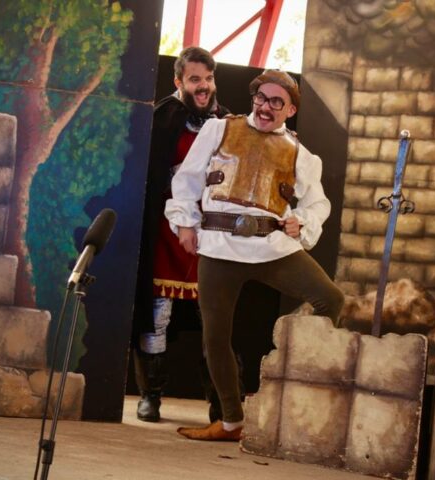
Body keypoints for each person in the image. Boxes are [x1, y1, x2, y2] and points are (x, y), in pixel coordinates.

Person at [165, 69, 345, 441]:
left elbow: (318, 203)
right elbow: (187, 179)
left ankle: (296, 381)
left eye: (276, 102)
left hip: (272, 246)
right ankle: (232, 421)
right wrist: (185, 223)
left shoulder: (300, 153)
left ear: (290, 110)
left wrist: (301, 221)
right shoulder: (219, 130)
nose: (265, 107)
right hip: (219, 245)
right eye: (261, 98)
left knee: (330, 299)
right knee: (215, 336)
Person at [132, 46, 239, 422]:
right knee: (157, 314)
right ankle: (150, 395)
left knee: (215, 319)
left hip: (212, 234)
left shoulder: (228, 122)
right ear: (178, 81)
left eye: (208, 79)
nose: (204, 86)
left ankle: (220, 401)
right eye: (195, 79)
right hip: (168, 230)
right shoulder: (162, 118)